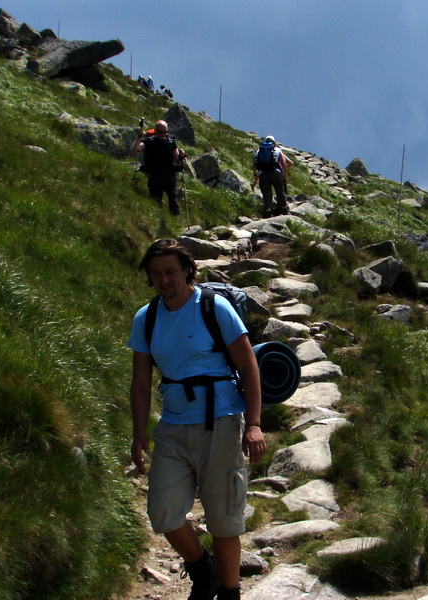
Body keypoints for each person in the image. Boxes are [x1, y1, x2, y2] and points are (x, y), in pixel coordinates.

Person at [128, 239, 266, 600]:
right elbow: (141, 383)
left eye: (170, 271)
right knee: (163, 511)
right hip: (172, 424)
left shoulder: (213, 307)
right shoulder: (147, 317)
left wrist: (253, 423)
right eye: (156, 274)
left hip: (220, 419)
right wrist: (139, 433)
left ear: (187, 270)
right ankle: (201, 569)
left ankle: (229, 591)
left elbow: (249, 367)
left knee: (223, 517)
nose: (164, 280)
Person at [131, 120, 186, 216]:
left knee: (174, 200)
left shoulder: (171, 143)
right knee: (156, 202)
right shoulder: (149, 142)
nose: (162, 134)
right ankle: (157, 220)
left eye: (165, 132)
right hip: (155, 176)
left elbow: (178, 160)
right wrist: (138, 137)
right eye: (160, 132)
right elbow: (134, 152)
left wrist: (181, 156)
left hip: (169, 176)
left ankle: (174, 222)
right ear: (155, 131)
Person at [252, 135, 293, 217]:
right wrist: (284, 175)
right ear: (273, 142)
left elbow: (254, 165)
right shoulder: (277, 150)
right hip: (275, 173)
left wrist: (256, 176)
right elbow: (284, 163)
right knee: (280, 191)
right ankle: (284, 209)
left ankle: (268, 211)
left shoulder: (259, 151)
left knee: (266, 193)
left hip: (262, 174)